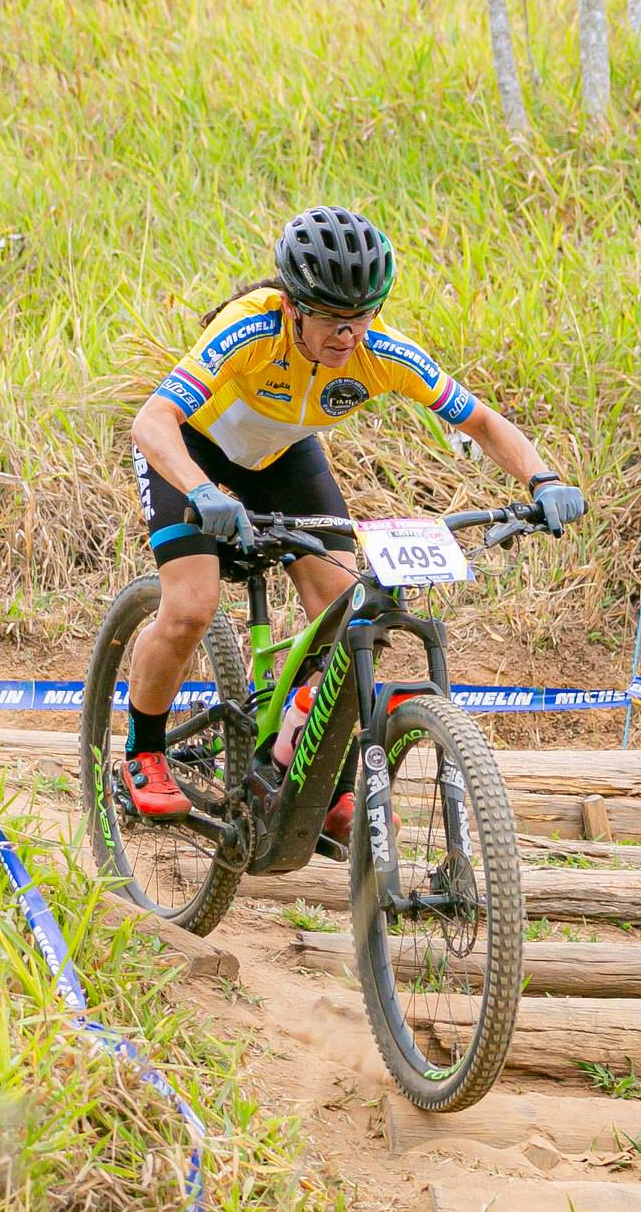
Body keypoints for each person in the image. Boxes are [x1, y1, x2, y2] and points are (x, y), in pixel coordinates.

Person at [125, 204, 585, 834]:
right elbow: (152, 422)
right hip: (193, 452)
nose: (349, 336)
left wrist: (544, 479)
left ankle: (302, 757)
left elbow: (478, 421)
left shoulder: (381, 352)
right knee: (190, 608)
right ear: (294, 308)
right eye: (333, 322)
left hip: (281, 457)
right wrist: (202, 491)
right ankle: (142, 751)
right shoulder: (250, 330)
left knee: (347, 611)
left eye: (362, 318)